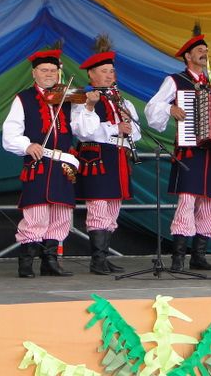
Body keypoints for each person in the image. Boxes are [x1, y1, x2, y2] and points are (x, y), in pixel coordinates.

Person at [145, 27, 211, 271]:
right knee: (187, 200)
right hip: (190, 151)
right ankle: (178, 257)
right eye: (200, 50)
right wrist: (169, 109)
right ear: (188, 56)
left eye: (206, 50)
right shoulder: (175, 81)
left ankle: (199, 255)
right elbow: (152, 108)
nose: (205, 53)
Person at [2, 47, 99, 278]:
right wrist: (27, 145)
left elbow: (85, 131)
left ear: (59, 73)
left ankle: (50, 262)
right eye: (44, 70)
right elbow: (10, 133)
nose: (49, 74)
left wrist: (89, 106)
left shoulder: (69, 97)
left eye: (53, 71)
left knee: (61, 214)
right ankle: (26, 263)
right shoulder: (24, 98)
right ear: (34, 73)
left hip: (63, 164)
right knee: (36, 213)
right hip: (39, 162)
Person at [72, 36, 141, 275]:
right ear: (91, 74)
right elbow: (83, 131)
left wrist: (129, 127)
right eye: (104, 71)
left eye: (111, 71)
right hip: (97, 156)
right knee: (99, 207)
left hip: (118, 156)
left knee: (113, 208)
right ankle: (97, 260)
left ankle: (104, 257)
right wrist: (113, 127)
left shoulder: (123, 101)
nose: (110, 75)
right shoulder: (83, 98)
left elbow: (137, 133)